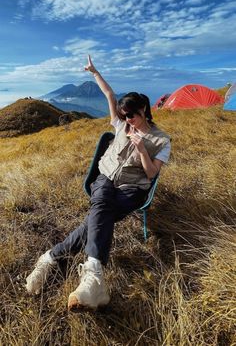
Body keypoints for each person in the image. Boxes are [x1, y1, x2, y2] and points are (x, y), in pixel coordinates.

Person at [26, 55, 171, 311]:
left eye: (132, 116)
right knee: (101, 202)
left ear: (144, 111)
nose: (127, 120)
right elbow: (109, 95)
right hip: (105, 178)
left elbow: (150, 174)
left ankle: (50, 258)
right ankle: (93, 278)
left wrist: (143, 151)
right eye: (124, 116)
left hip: (133, 189)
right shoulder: (120, 126)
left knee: (97, 214)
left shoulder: (162, 141)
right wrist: (94, 71)